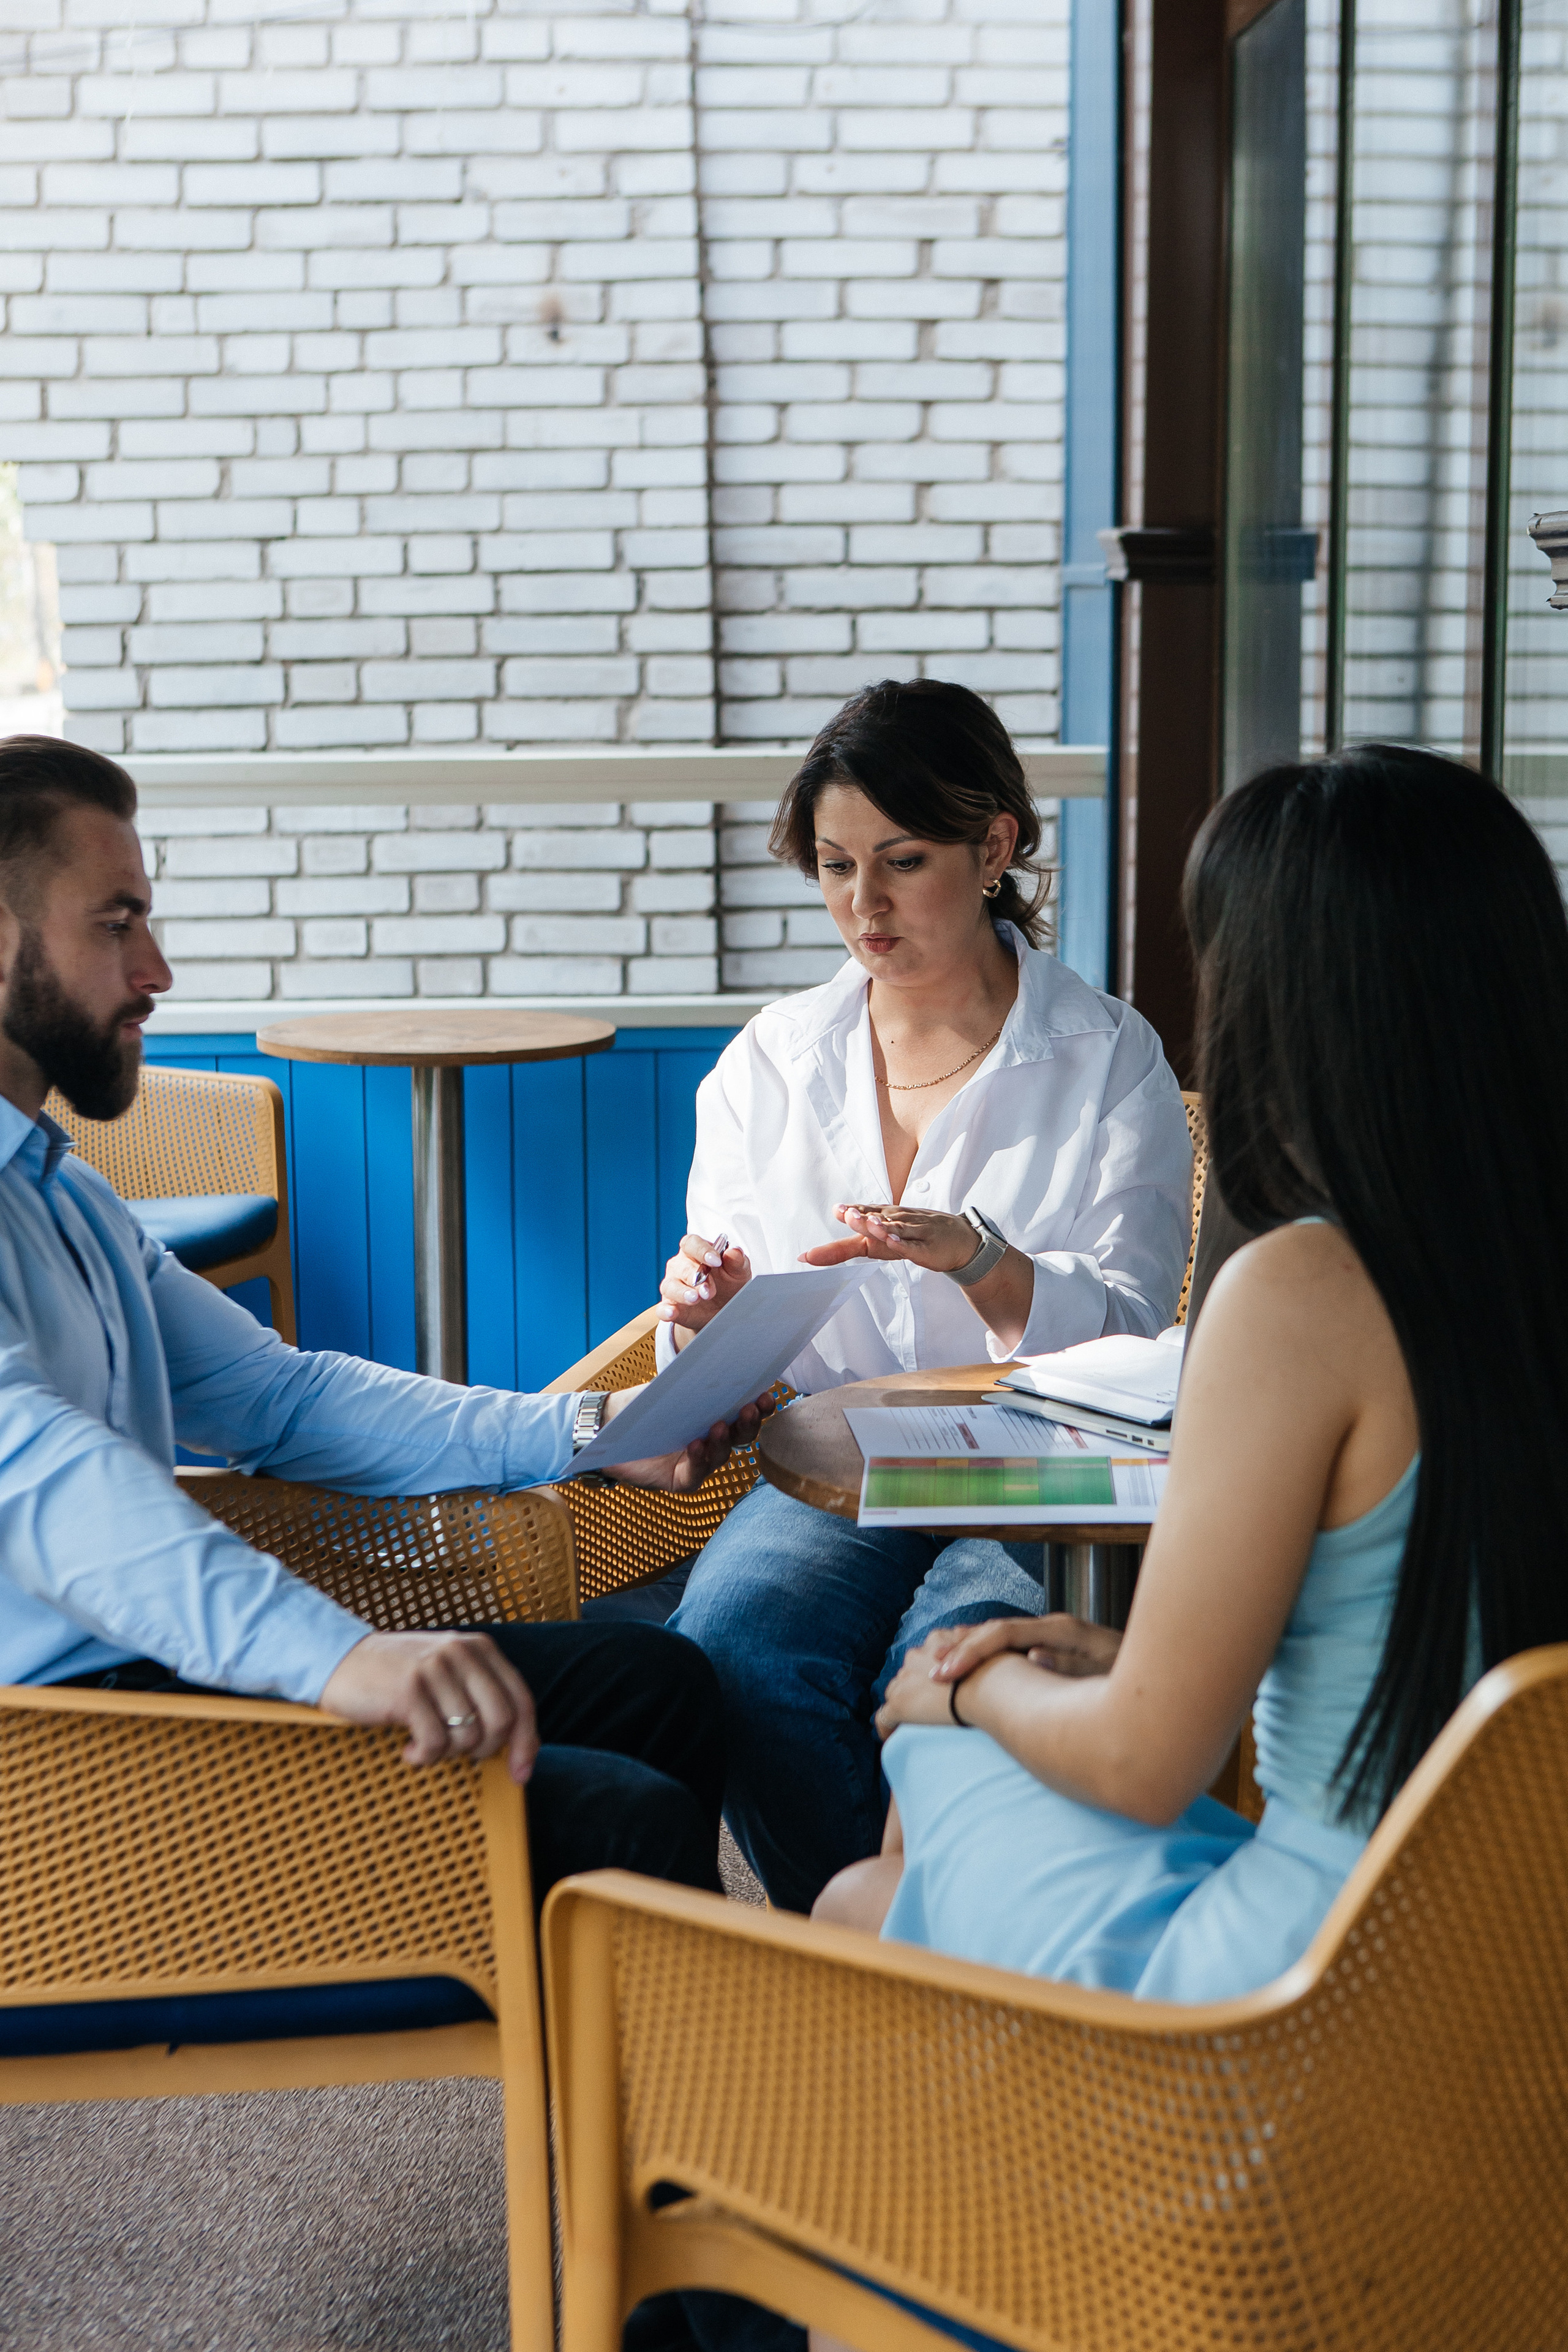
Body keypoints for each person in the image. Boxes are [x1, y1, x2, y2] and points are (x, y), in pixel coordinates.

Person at [814, 744, 1568, 2022]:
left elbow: (1143, 1763)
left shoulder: (1302, 1292)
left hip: (1318, 1991)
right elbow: (1444, 1638)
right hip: (1510, 1970)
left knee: (887, 1840)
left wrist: (966, 1681)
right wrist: (1125, 1654)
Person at [0, 733, 771, 1912]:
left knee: (654, 1681)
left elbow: (280, 1399)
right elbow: (49, 1481)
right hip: (61, 1769)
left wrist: (598, 1431)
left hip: (163, 1678)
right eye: (116, 924)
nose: (156, 969)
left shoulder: (61, 1192)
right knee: (622, 1814)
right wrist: (339, 1656)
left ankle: (621, 2037)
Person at [617, 680, 1192, 1913]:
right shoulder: (769, 1063)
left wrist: (983, 1262)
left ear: (994, 846)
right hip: (840, 1468)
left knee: (950, 1676)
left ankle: (935, 1948)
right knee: (733, 1647)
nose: (862, 905)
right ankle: (862, 1957)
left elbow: (1138, 1333)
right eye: (835, 867)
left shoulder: (1109, 1058)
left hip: (1043, 1477)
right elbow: (721, 1348)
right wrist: (706, 1317)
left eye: (902, 861)